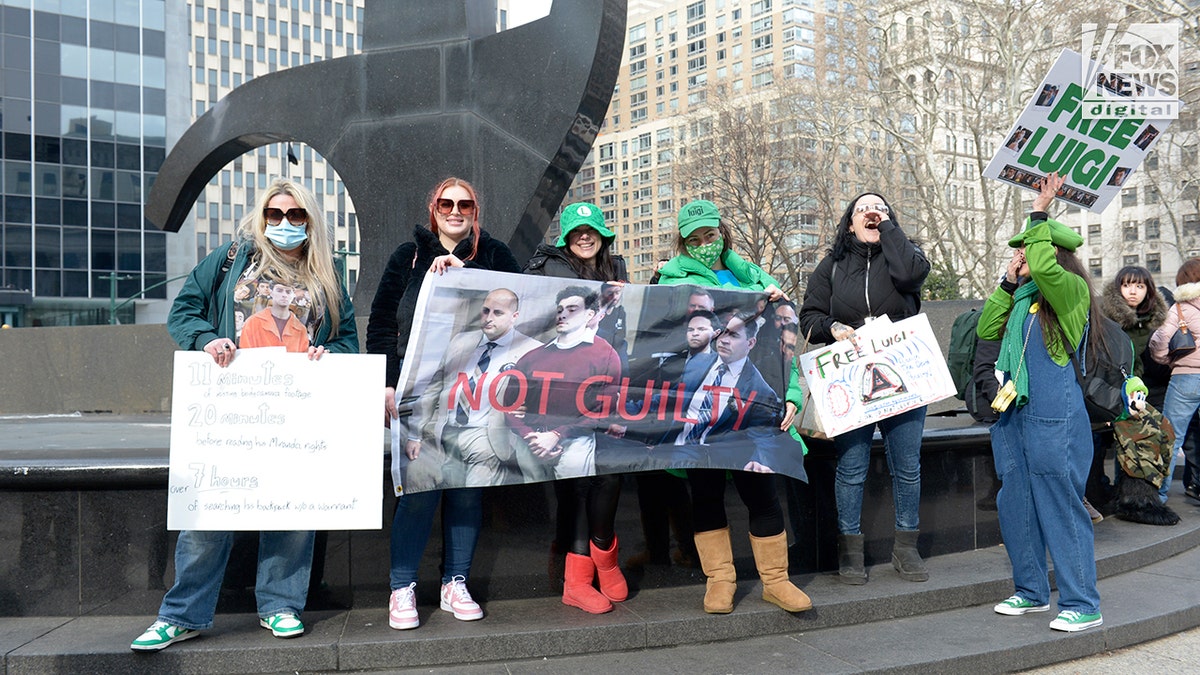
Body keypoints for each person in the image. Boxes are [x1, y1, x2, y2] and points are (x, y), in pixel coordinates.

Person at [131, 179, 358, 651]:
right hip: (231, 410)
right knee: (209, 513)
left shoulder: (327, 274)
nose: (284, 224)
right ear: (262, 217)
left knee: (293, 511)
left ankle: (280, 605)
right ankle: (181, 614)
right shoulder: (234, 259)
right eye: (274, 215)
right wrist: (206, 340)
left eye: (296, 216)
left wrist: (327, 353)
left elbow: (347, 339)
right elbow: (185, 312)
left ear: (310, 221)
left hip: (298, 414)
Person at [366, 177, 521, 631]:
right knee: (419, 491)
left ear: (476, 210)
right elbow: (380, 322)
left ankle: (456, 581)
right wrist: (387, 383)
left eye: (465, 204)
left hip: (479, 395)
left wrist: (471, 279)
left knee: (468, 491)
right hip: (421, 392)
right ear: (433, 209)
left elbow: (522, 302)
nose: (456, 211)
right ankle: (402, 586)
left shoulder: (494, 255)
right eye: (447, 203)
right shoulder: (407, 256)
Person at [656, 199, 811, 615]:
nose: (705, 243)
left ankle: (776, 580)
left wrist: (792, 395)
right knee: (705, 495)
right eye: (695, 238)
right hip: (700, 411)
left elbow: (782, 348)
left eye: (710, 234)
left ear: (722, 233)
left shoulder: (754, 277)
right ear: (683, 243)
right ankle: (719, 579)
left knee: (761, 492)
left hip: (752, 406)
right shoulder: (670, 281)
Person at [978, 171, 1104, 633]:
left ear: (1051, 252)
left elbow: (1047, 269)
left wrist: (1040, 207)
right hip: (1013, 413)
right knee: (1016, 500)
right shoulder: (1022, 295)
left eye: (1026, 248)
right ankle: (1030, 592)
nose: (1019, 255)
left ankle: (1082, 601)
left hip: (1055, 412)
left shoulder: (1069, 291)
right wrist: (1008, 284)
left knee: (1058, 498)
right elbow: (986, 330)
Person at [797, 191, 931, 585]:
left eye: (880, 209)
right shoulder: (832, 266)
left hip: (904, 374)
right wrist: (832, 328)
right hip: (851, 379)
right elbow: (809, 317)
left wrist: (887, 228)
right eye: (862, 210)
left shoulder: (906, 255)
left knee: (907, 467)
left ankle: (906, 547)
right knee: (851, 467)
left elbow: (908, 277)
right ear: (849, 223)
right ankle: (850, 550)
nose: (871, 213)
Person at [521, 203, 630, 615]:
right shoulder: (545, 268)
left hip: (607, 382)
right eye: (576, 231)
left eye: (592, 230)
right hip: (562, 391)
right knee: (578, 485)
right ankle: (577, 579)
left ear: (603, 234)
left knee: (611, 478)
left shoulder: (615, 267)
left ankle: (606, 555)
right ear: (566, 238)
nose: (585, 237)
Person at [408, 289, 542, 489]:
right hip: (445, 431)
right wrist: (414, 434)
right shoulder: (461, 341)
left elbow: (546, 398)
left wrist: (528, 410)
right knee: (421, 491)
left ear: (514, 317)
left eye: (498, 313)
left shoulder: (531, 350)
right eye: (485, 311)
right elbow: (433, 389)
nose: (488, 318)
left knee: (468, 496)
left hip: (487, 435)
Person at [1096, 266, 1168, 506]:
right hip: (1117, 391)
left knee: (1147, 444)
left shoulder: (1158, 320)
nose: (1133, 292)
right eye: (1127, 285)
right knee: (1120, 444)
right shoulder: (1106, 318)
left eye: (1139, 286)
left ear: (1148, 289)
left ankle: (1144, 496)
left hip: (1153, 390)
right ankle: (1117, 492)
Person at [1149, 258, 1200, 504]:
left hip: (1185, 378)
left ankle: (1158, 494)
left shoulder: (1179, 308)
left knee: (1171, 436)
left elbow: (1160, 340)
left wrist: (1166, 360)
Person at [239, 280, 310, 351]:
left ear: (293, 295)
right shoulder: (252, 323)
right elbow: (245, 356)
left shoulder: (301, 329)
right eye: (279, 290)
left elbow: (303, 358)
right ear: (271, 292)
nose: (284, 295)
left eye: (288, 292)